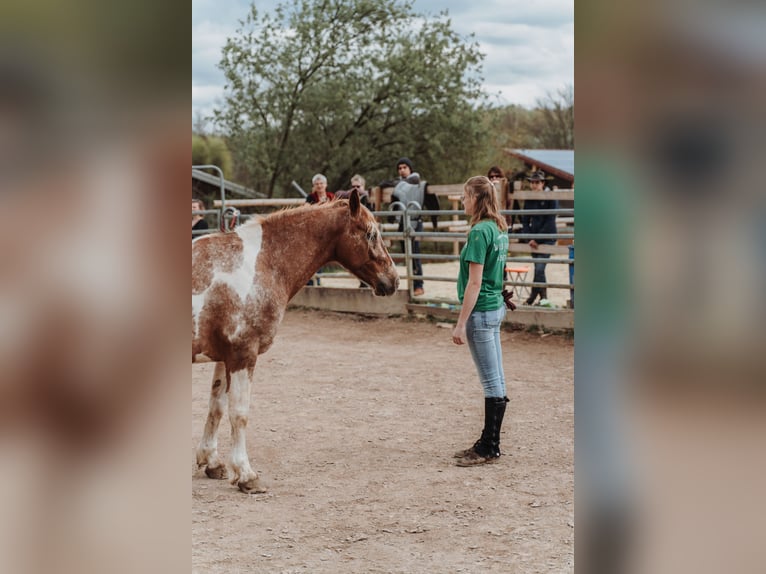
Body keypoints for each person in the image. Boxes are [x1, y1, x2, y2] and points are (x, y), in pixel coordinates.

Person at [451, 175, 510, 467]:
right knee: (496, 377)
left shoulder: (478, 232)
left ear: (477, 199)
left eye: (465, 196)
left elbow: (474, 283)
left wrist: (461, 322)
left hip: (482, 311)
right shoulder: (499, 228)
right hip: (495, 307)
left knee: (490, 381)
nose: (463, 201)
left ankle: (490, 445)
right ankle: (490, 440)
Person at [383, 157, 440, 296]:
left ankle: (419, 285)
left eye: (404, 167)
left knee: (414, 254)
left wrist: (434, 220)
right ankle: (411, 283)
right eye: (400, 168)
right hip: (403, 222)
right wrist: (391, 218)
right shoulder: (398, 186)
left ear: (410, 169)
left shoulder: (420, 184)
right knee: (406, 255)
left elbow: (431, 201)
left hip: (415, 221)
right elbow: (385, 187)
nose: (402, 170)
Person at [520, 170, 558, 305]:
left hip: (547, 239)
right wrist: (529, 237)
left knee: (540, 268)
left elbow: (550, 220)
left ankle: (535, 297)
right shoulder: (529, 199)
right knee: (538, 268)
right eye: (532, 182)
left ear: (542, 183)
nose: (534, 185)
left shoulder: (550, 197)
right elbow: (525, 220)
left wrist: (537, 239)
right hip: (533, 240)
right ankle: (542, 298)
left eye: (537, 182)